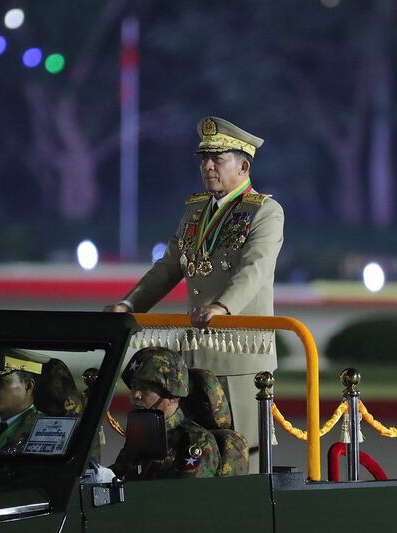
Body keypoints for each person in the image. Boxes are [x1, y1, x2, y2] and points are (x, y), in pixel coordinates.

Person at [105, 116, 284, 471]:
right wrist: (130, 304)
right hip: (195, 355)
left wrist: (223, 306)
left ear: (243, 165)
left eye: (217, 159)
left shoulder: (264, 211)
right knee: (196, 455)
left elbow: (255, 268)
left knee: (242, 457)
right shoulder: (196, 210)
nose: (207, 166)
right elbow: (169, 266)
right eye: (204, 158)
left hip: (240, 356)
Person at [111, 347, 219, 480]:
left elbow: (183, 496)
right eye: (133, 386)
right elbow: (120, 474)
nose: (135, 395)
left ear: (173, 395)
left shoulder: (195, 442)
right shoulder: (143, 433)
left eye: (145, 388)